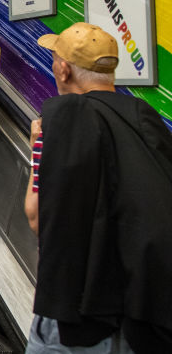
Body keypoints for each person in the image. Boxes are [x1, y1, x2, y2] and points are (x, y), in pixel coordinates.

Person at [23, 22, 172, 353]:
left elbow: (37, 217)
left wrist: (37, 153)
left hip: (77, 315)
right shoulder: (145, 117)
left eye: (54, 60)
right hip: (144, 313)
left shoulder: (62, 120)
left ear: (63, 71)